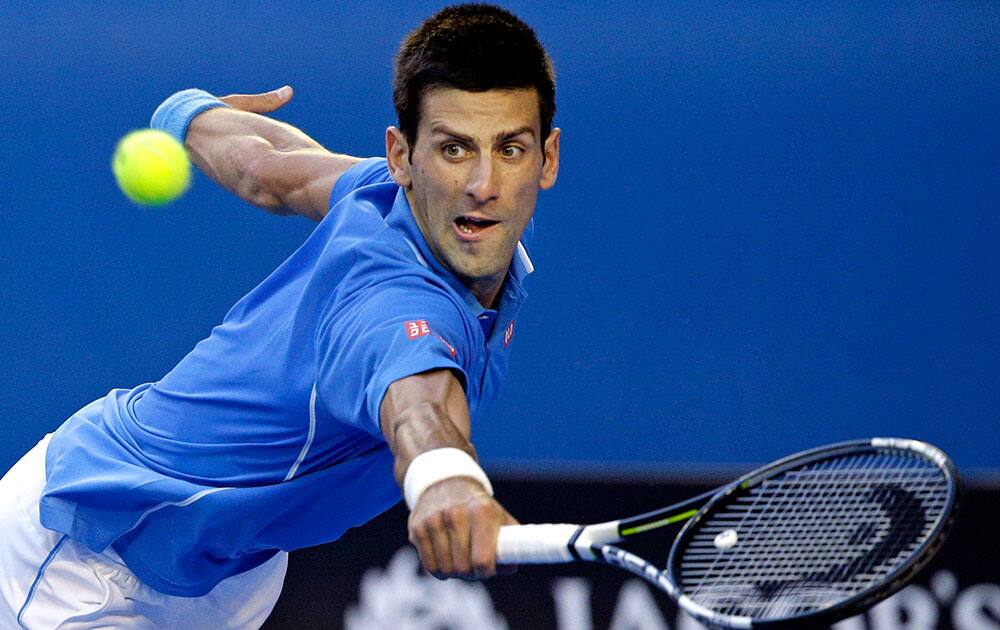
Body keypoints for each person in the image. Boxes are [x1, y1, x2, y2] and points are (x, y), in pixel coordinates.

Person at [0, 4, 560, 628]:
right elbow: (419, 406)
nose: (483, 183)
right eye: (455, 149)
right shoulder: (391, 302)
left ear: (546, 159)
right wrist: (445, 481)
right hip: (91, 545)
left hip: (227, 575)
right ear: (403, 156)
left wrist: (188, 113)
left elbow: (268, 172)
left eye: (509, 148)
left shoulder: (380, 190)